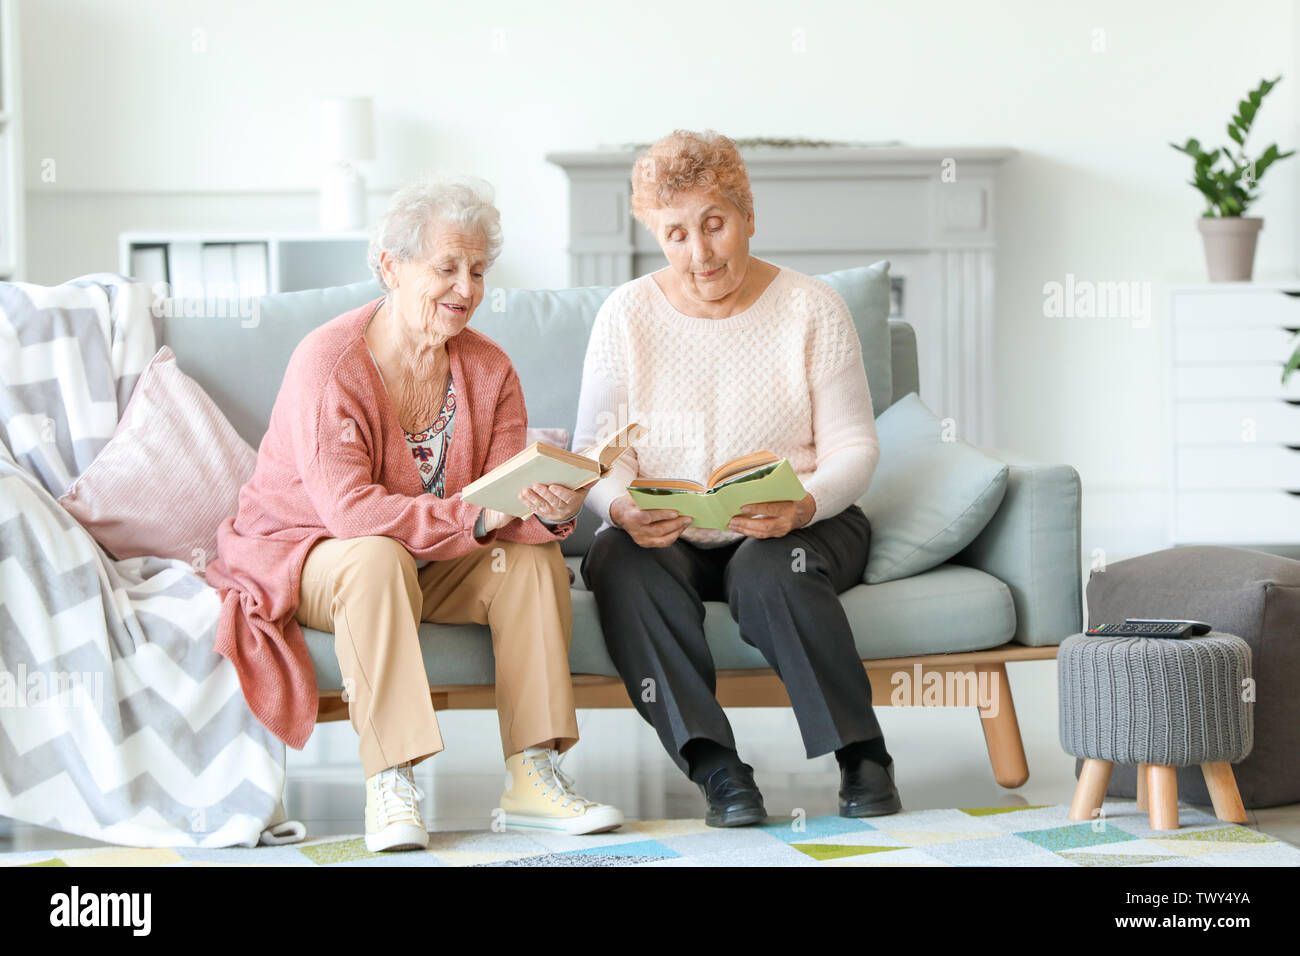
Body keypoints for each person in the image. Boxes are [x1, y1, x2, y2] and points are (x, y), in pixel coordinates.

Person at [205, 175, 623, 851]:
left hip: (430, 556)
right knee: (375, 556)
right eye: (447, 268)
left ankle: (533, 775)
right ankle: (390, 780)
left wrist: (544, 511)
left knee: (529, 559)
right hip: (309, 550)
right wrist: (476, 518)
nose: (466, 288)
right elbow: (348, 512)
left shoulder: (490, 370)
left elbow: (498, 501)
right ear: (389, 267)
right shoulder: (329, 362)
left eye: (478, 270)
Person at [573, 130, 900, 827]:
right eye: (676, 233)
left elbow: (855, 447)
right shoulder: (625, 316)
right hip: (673, 530)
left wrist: (804, 505)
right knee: (614, 557)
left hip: (802, 521)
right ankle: (717, 768)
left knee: (770, 570)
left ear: (748, 216)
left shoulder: (813, 307)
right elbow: (598, 455)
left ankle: (862, 754)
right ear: (655, 233)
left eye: (715, 225)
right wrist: (624, 508)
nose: (701, 252)